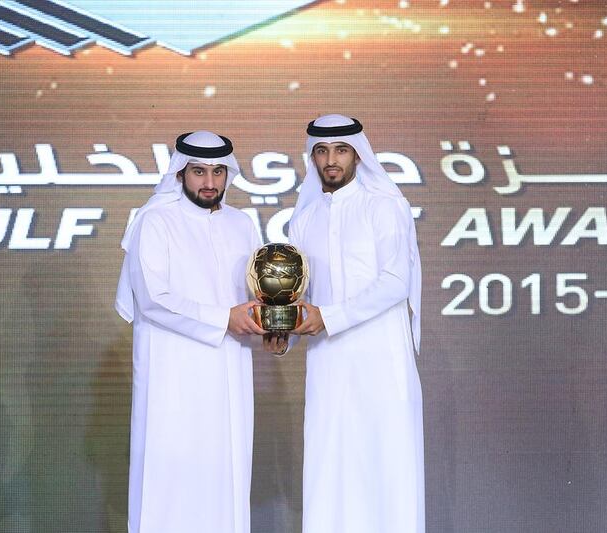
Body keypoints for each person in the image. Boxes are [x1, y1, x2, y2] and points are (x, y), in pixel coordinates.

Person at [115, 131, 269, 533]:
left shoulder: (242, 224)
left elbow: (252, 297)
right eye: (199, 172)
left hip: (230, 370)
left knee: (226, 473)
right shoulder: (154, 221)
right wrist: (224, 319)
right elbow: (152, 299)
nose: (209, 182)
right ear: (181, 173)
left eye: (218, 172)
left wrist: (271, 326)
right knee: (169, 482)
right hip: (172, 374)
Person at [289, 114, 425, 533]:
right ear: (312, 157)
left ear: (358, 155)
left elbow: (395, 282)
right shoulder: (304, 219)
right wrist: (283, 331)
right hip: (328, 366)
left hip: (381, 361)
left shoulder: (385, 206)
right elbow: (301, 295)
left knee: (386, 467)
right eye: (322, 151)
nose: (331, 160)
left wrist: (328, 318)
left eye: (341, 150)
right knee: (330, 468)